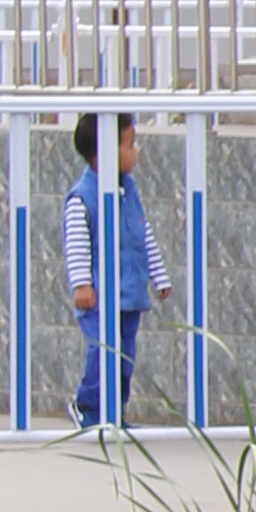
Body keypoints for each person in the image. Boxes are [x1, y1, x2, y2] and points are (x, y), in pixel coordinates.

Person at [62, 113, 151, 432]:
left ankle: (114, 413)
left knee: (124, 358)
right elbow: (76, 244)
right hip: (99, 298)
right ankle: (87, 405)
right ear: (104, 153)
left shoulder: (128, 191)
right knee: (103, 353)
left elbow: (143, 234)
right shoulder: (82, 197)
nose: (136, 151)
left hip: (128, 294)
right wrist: (82, 283)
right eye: (130, 145)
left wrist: (158, 274)